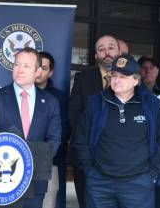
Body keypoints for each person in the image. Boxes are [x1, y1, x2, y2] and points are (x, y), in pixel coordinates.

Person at [74, 54, 160, 208]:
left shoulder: (152, 105)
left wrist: (153, 174)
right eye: (114, 75)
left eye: (123, 76)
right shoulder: (95, 103)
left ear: (136, 80)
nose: (116, 80)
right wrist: (89, 170)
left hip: (138, 183)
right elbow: (81, 139)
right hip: (100, 183)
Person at [0, 47, 61, 208]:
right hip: (1, 183)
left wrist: (28, 165)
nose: (20, 70)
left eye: (26, 66)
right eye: (17, 65)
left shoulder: (50, 102)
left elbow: (54, 140)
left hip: (35, 181)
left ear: (37, 71)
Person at [69, 35, 121, 208]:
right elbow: (74, 115)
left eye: (111, 47)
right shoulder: (82, 79)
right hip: (87, 158)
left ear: (119, 52)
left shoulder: (132, 80)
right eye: (101, 49)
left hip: (122, 160)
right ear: (96, 56)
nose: (107, 52)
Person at [35, 51, 70, 208]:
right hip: (20, 158)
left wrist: (45, 154)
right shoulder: (19, 94)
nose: (39, 71)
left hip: (51, 160)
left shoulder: (59, 98)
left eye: (44, 67)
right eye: (37, 66)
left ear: (51, 72)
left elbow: (62, 131)